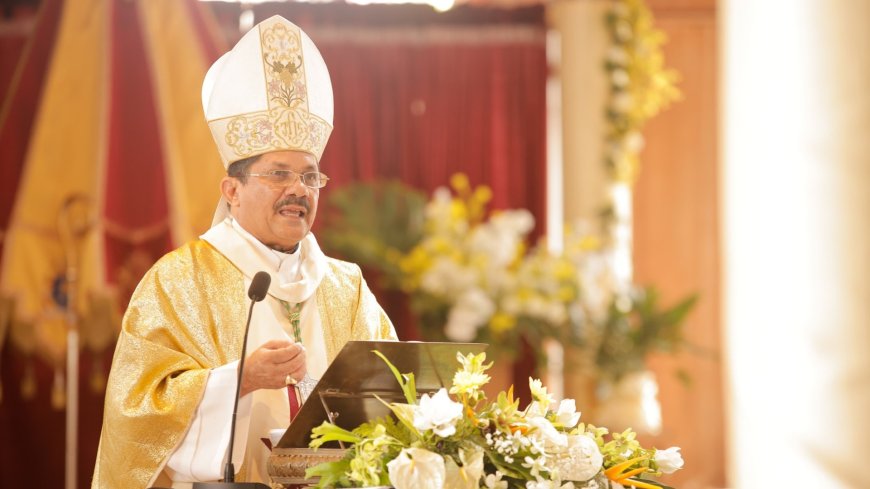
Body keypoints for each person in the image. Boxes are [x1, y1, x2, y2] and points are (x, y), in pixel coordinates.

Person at [92, 15, 397, 488]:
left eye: (310, 176)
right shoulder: (179, 281)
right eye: (279, 174)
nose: (299, 190)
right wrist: (238, 380)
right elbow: (136, 412)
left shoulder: (347, 287)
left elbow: (394, 397)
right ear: (231, 190)